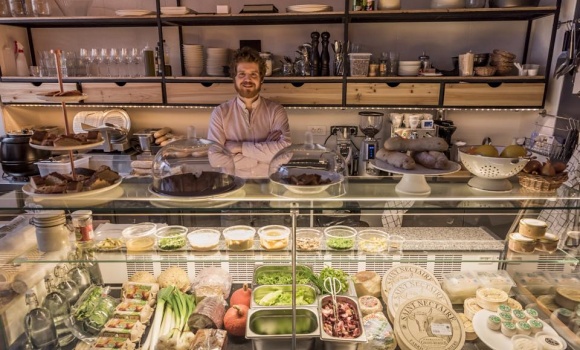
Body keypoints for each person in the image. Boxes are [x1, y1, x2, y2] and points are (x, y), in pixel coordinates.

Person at [207, 47, 291, 179]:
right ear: (234, 78)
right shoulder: (220, 113)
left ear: (261, 79)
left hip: (268, 188)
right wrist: (256, 158)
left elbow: (284, 153)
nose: (248, 79)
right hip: (232, 188)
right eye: (242, 74)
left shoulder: (276, 111)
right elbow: (214, 159)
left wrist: (239, 148)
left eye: (253, 74)